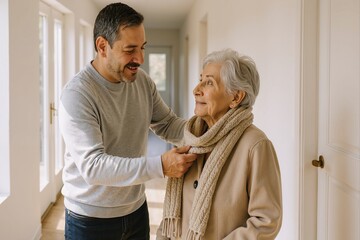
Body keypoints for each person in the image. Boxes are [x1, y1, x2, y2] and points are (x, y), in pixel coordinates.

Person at [59, 2, 197, 240]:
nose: (140, 58)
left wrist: (206, 132)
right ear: (103, 46)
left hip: (135, 211)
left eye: (142, 48)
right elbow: (93, 166)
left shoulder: (142, 82)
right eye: (130, 49)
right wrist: (161, 165)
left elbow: (167, 123)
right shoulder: (77, 94)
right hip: (90, 221)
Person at [157, 49, 282, 239]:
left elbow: (266, 221)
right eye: (200, 79)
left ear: (235, 97)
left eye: (209, 82)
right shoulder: (191, 139)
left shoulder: (255, 145)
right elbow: (172, 218)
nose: (196, 89)